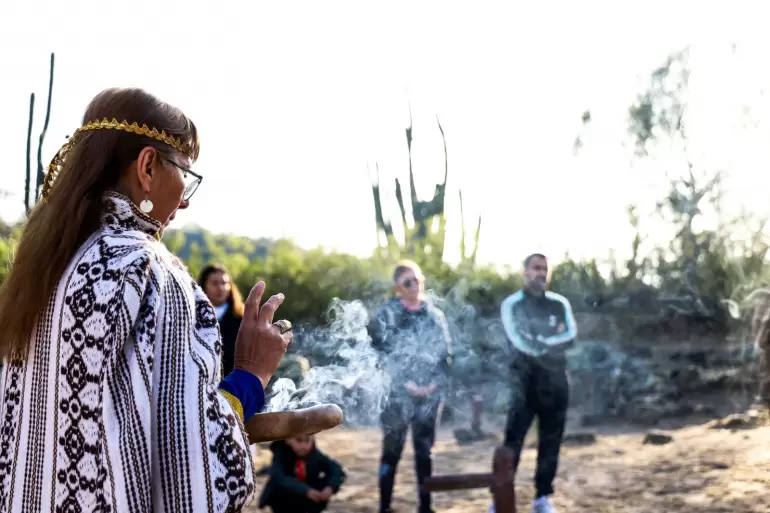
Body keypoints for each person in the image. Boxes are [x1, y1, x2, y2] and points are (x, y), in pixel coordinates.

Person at [0, 88, 294, 513]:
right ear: (148, 167)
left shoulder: (44, 269)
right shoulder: (150, 271)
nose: (187, 199)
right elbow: (191, 480)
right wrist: (250, 374)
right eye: (186, 175)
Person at [495, 253, 577, 513]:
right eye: (535, 268)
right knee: (513, 441)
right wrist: (548, 344)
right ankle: (500, 497)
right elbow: (517, 340)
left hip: (556, 383)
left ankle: (542, 498)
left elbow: (571, 336)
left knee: (551, 441)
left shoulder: (559, 303)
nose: (541, 273)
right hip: (523, 383)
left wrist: (540, 343)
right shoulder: (512, 304)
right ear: (525, 272)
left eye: (545, 269)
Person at [369, 260, 453, 513]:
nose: (415, 285)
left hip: (429, 396)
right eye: (408, 281)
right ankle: (384, 507)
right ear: (398, 287)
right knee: (391, 453)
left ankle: (426, 507)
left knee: (425, 454)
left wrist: (432, 385)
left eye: (418, 280)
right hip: (396, 396)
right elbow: (380, 353)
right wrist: (405, 384)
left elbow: (446, 357)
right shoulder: (387, 314)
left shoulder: (435, 317)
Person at [258, 435, 346, 513]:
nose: (304, 446)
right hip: (284, 501)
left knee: (326, 481)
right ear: (288, 440)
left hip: (307, 501)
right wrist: (305, 490)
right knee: (280, 484)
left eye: (307, 440)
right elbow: (277, 476)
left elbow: (336, 470)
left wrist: (330, 487)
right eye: (299, 440)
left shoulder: (314, 454)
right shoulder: (281, 453)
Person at [199, 263, 245, 377]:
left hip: (233, 384)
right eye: (214, 283)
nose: (221, 288)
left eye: (224, 283)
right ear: (203, 286)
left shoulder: (241, 318)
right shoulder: (194, 318)